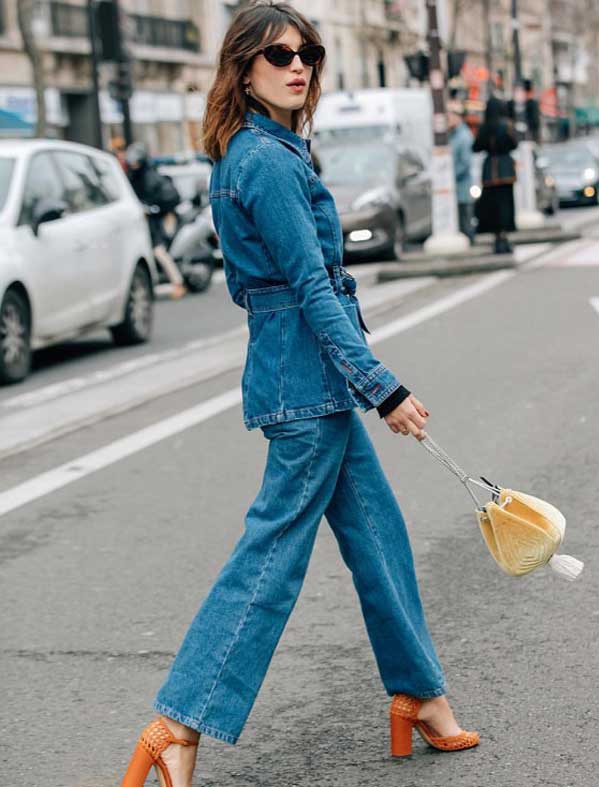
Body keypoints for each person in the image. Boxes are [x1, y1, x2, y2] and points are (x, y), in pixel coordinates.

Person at [121, 4, 479, 785]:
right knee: (272, 556)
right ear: (243, 67)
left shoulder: (254, 154)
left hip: (304, 377)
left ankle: (418, 692)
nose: (299, 65)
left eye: (309, 53)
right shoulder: (268, 162)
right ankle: (178, 721)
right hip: (306, 386)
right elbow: (312, 289)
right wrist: (382, 388)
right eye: (279, 53)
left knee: (378, 536)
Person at [125, 143, 187, 300]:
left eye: (136, 162)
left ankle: (178, 283)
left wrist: (155, 208)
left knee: (159, 251)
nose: (134, 165)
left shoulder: (152, 177)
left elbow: (170, 198)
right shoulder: (132, 177)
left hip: (160, 219)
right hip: (146, 220)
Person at [473, 96, 518, 254]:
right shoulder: (507, 126)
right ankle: (504, 237)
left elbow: (476, 147)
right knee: (505, 204)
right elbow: (514, 144)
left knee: (492, 206)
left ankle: (497, 238)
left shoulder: (484, 127)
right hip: (505, 170)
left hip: (490, 172)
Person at [447, 100, 475, 244]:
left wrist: (450, 177)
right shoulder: (452, 135)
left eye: (450, 116)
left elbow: (465, 163)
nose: (448, 119)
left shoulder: (463, 136)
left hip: (462, 188)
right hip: (455, 188)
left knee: (465, 221)